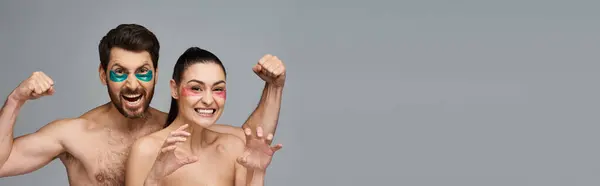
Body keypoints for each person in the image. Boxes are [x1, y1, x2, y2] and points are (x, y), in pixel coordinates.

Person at [0, 24, 286, 186]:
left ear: (158, 76)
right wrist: (15, 100)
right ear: (103, 75)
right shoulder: (74, 135)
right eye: (120, 72)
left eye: (143, 72)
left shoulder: (172, 128)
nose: (133, 84)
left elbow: (252, 142)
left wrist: (274, 86)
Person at [125, 47, 283, 186]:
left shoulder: (232, 147)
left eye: (217, 89)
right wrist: (154, 179)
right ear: (174, 89)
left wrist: (257, 174)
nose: (208, 100)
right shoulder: (146, 150)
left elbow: (256, 134)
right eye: (196, 88)